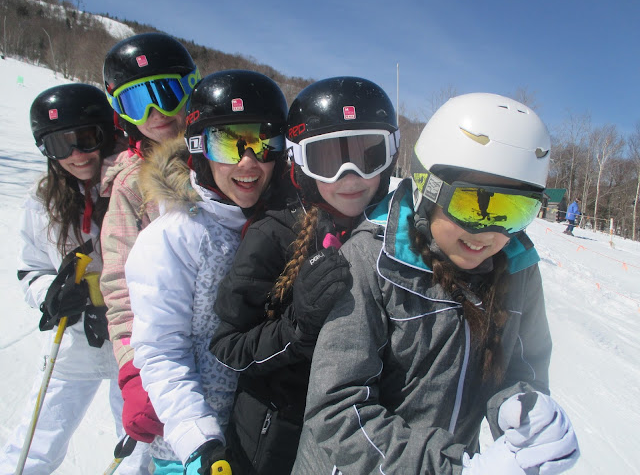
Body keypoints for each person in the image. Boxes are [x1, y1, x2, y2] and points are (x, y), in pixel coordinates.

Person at [292, 93, 580, 474]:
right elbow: (336, 409)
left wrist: (520, 406)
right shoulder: (372, 261)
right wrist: (452, 469)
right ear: (427, 188)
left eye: (512, 210)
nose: (487, 232)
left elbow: (521, 369)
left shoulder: (517, 270)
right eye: (471, 203)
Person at [209, 76, 401, 474]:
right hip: (274, 441)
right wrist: (297, 327)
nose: (349, 176)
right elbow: (228, 348)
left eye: (368, 155)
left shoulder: (393, 236)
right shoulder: (274, 234)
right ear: (301, 164)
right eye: (327, 160)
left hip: (356, 440)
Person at [124, 70, 290, 474]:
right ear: (199, 149)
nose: (248, 161)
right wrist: (197, 438)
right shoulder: (175, 236)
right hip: (195, 447)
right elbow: (161, 349)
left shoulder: (283, 227)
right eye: (228, 143)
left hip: (259, 439)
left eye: (263, 142)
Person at [0, 84, 147, 474]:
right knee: (35, 440)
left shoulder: (133, 185)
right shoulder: (43, 201)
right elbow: (30, 268)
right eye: (59, 145)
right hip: (75, 339)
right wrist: (51, 293)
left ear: (106, 134)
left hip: (130, 341)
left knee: (137, 448)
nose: (76, 154)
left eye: (86, 138)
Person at [99, 32, 200, 459]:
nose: (155, 113)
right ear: (121, 112)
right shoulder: (130, 186)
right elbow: (120, 286)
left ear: (190, 90)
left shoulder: (227, 158)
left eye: (165, 94)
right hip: (170, 354)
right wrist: (133, 372)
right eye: (137, 101)